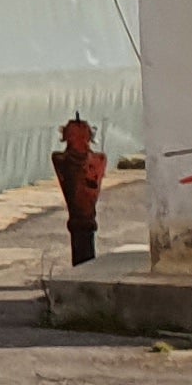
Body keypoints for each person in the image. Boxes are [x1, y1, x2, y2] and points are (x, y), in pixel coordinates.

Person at [53, 115, 108, 269]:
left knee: (83, 234)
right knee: (82, 234)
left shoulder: (96, 160)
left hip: (82, 220)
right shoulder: (96, 160)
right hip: (80, 220)